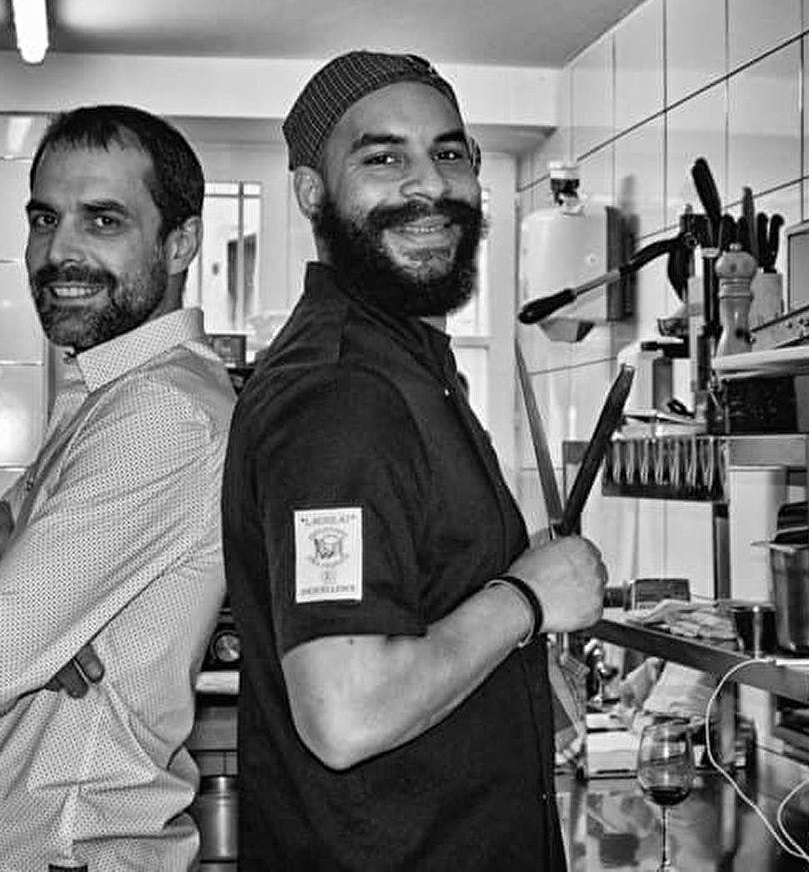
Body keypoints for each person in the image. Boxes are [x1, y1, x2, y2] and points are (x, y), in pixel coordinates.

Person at [222, 52, 608, 870]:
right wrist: (527, 600)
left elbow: (414, 617)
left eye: (449, 152)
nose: (429, 183)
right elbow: (347, 712)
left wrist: (511, 672)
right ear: (310, 193)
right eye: (382, 157)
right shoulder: (341, 391)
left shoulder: (409, 368)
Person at [0, 104, 236, 872]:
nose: (58, 251)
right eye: (44, 218)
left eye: (103, 220)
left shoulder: (160, 412)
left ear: (180, 243)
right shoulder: (104, 395)